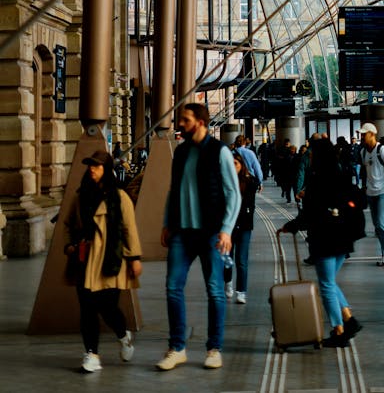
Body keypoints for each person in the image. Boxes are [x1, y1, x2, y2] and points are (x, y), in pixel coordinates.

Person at [157, 103, 241, 371]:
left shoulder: (220, 152)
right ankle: (177, 347)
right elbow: (174, 189)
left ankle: (214, 348)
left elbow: (233, 193)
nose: (180, 123)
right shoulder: (180, 153)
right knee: (172, 287)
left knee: (215, 291)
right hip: (182, 231)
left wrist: (226, 229)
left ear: (201, 122)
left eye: (185, 119)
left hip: (210, 233)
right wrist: (167, 222)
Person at [64, 149, 143, 373]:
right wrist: (69, 245)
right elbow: (69, 224)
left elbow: (130, 229)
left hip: (110, 260)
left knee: (108, 307)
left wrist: (135, 258)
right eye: (90, 164)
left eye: (97, 165)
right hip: (85, 259)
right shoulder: (81, 196)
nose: (92, 169)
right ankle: (92, 354)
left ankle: (122, 334)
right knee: (87, 307)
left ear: (106, 170)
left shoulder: (119, 197)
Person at [280, 136, 363, 347]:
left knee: (326, 285)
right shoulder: (340, 174)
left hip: (326, 238)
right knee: (330, 282)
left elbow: (310, 212)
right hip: (343, 237)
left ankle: (339, 330)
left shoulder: (318, 179)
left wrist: (291, 226)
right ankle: (348, 319)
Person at [359, 122, 384, 267]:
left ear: (372, 134)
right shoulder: (363, 152)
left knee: (381, 222)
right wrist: (364, 188)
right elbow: (365, 172)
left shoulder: (382, 150)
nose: (362, 136)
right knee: (378, 225)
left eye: (364, 134)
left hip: (383, 192)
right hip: (371, 192)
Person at [225, 150, 257, 304]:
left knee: (242, 260)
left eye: (236, 164)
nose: (233, 166)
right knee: (227, 259)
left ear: (242, 165)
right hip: (229, 227)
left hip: (244, 225)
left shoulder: (250, 182)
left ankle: (241, 291)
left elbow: (248, 204)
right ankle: (228, 283)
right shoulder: (224, 180)